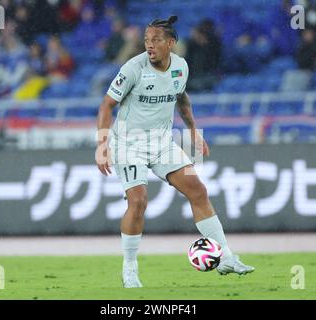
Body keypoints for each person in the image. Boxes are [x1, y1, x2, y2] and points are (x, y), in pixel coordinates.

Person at [95, 15, 254, 288]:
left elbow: (181, 98)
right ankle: (130, 269)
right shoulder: (133, 68)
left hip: (162, 142)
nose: (149, 45)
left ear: (171, 43)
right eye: (146, 40)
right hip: (129, 143)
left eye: (156, 40)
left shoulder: (180, 67)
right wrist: (102, 144)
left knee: (198, 189)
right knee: (138, 201)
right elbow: (107, 105)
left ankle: (226, 256)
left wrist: (193, 130)